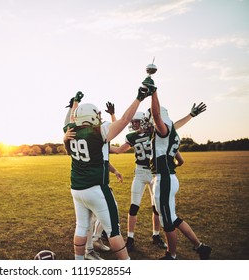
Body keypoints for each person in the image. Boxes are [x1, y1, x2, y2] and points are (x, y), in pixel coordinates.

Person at [107, 101, 206, 252]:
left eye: (137, 121)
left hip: (157, 175)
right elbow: (120, 147)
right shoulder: (137, 135)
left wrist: (190, 115)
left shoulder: (157, 131)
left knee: (158, 209)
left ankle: (157, 236)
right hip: (142, 172)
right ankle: (131, 238)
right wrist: (102, 146)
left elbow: (173, 125)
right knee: (136, 207)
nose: (134, 124)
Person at [63, 88, 148, 260]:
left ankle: (79, 262)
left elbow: (69, 119)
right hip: (96, 188)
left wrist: (74, 104)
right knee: (113, 230)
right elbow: (125, 120)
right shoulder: (98, 131)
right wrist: (139, 98)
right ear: (93, 116)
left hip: (77, 189)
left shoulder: (70, 131)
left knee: (81, 227)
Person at [143, 76, 212, 260]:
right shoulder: (170, 131)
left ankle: (171, 256)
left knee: (168, 222)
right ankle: (200, 247)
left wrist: (154, 93)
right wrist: (191, 115)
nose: (150, 121)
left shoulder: (162, 128)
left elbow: (157, 116)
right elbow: (175, 124)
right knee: (172, 217)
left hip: (164, 179)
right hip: (168, 177)